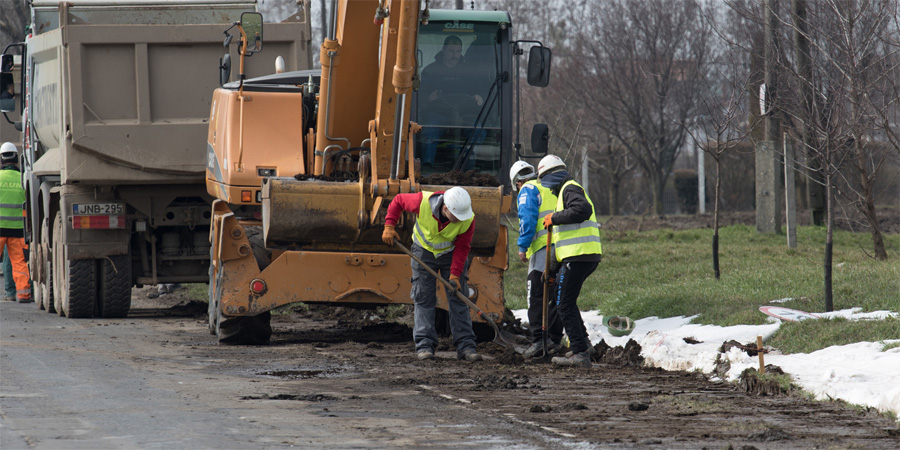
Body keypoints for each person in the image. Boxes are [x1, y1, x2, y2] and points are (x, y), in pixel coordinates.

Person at [382, 186, 482, 362]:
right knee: (423, 297)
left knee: (458, 297)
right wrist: (389, 226)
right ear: (445, 209)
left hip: (450, 255)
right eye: (456, 217)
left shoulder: (468, 219)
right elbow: (397, 200)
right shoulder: (422, 202)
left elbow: (462, 247)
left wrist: (455, 275)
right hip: (423, 253)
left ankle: (466, 346)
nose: (459, 220)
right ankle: (425, 345)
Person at [536, 154, 602, 368]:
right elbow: (564, 238)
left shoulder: (569, 189)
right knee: (564, 298)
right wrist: (553, 270)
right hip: (580, 255)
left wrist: (554, 218)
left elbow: (582, 210)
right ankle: (584, 344)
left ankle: (580, 352)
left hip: (580, 255)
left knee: (563, 302)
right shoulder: (564, 192)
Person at [510, 160, 564, 358]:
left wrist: (523, 246)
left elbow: (527, 218)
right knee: (556, 295)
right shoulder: (549, 187)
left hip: (542, 249)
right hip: (561, 248)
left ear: (517, 183)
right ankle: (555, 339)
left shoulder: (527, 190)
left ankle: (538, 341)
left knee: (536, 295)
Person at [418, 35, 484, 168]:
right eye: (451, 51)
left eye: (458, 51)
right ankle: (427, 166)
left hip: (466, 114)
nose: (455, 55)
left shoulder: (470, 72)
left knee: (479, 131)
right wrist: (428, 97)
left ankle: (469, 167)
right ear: (443, 50)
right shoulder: (430, 71)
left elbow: (480, 90)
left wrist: (479, 96)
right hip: (438, 114)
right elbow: (420, 96)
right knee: (429, 130)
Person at [0, 142, 31, 303]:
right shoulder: (23, 179)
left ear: (1, 159)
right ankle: (23, 294)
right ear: (16, 159)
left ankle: (13, 293)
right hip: (18, 229)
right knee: (19, 263)